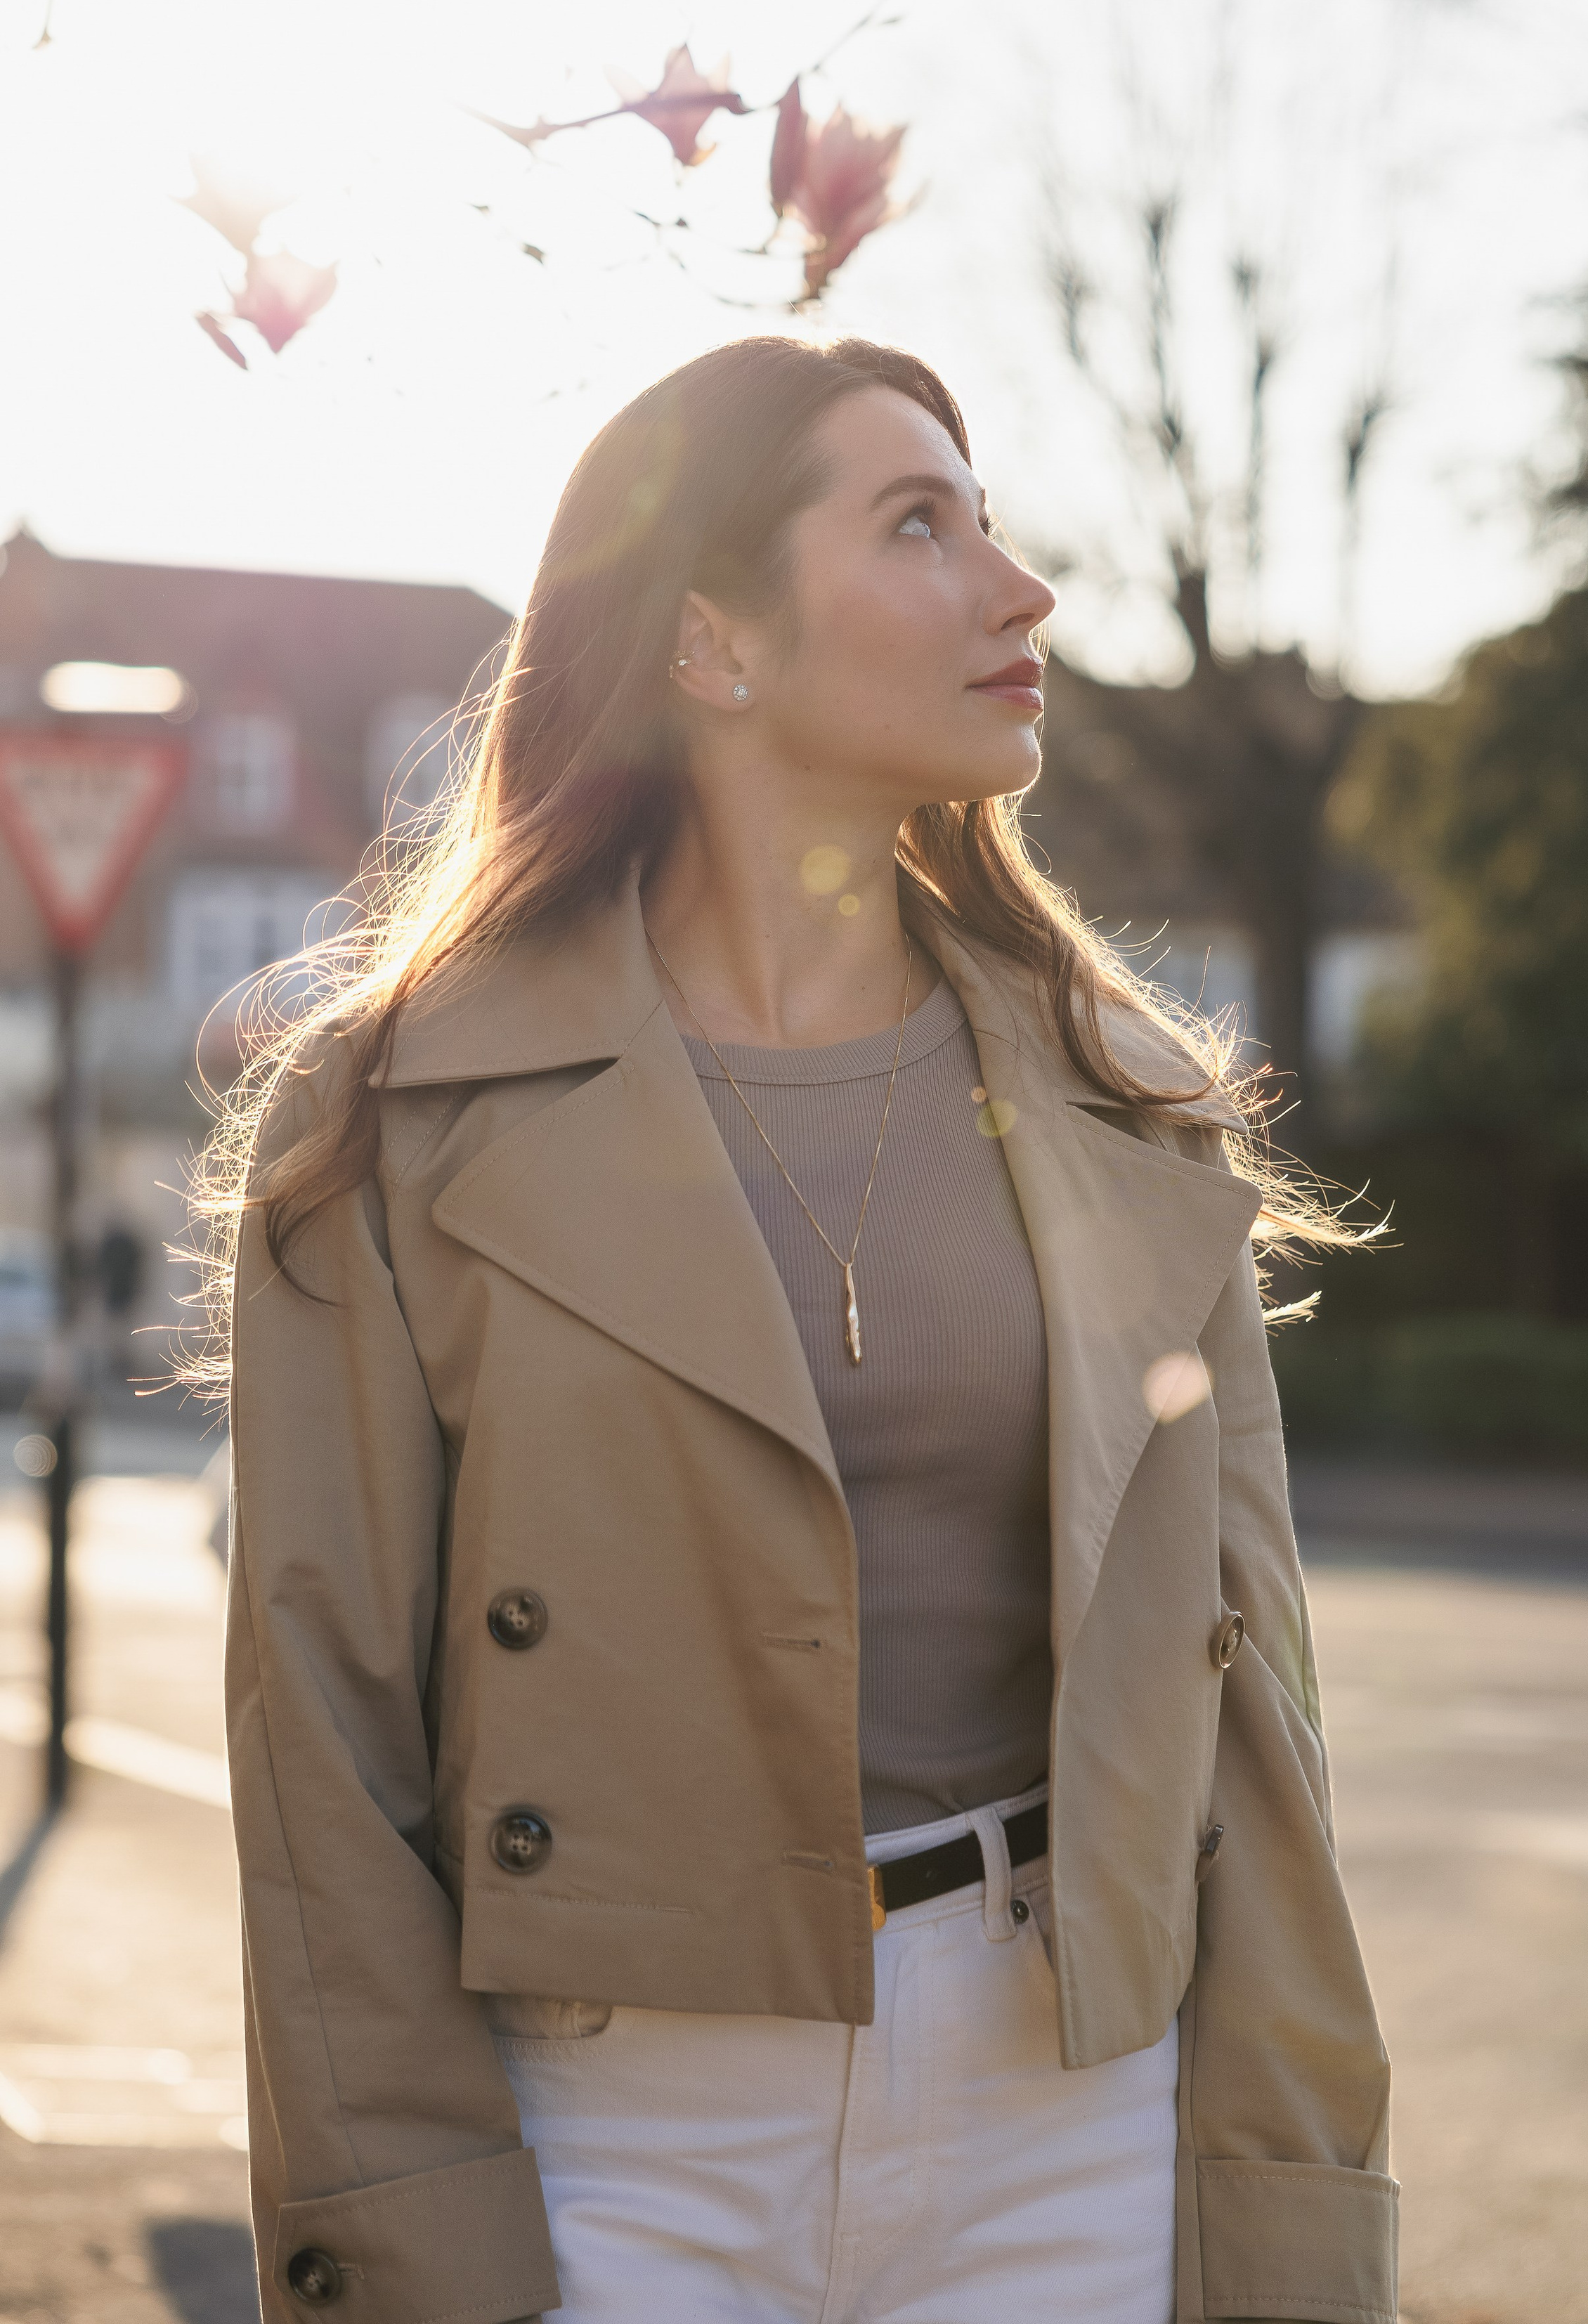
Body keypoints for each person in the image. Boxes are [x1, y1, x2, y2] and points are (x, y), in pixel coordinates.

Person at [200, 334, 1395, 2324]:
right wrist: (405, 2206)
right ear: (712, 646)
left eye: (990, 522)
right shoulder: (393, 1118)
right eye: (919, 524)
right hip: (612, 2131)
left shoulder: (1134, 1102)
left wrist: (1287, 2178)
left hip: (1072, 2109)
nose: (1019, 591)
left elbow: (1256, 1719)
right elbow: (322, 1739)